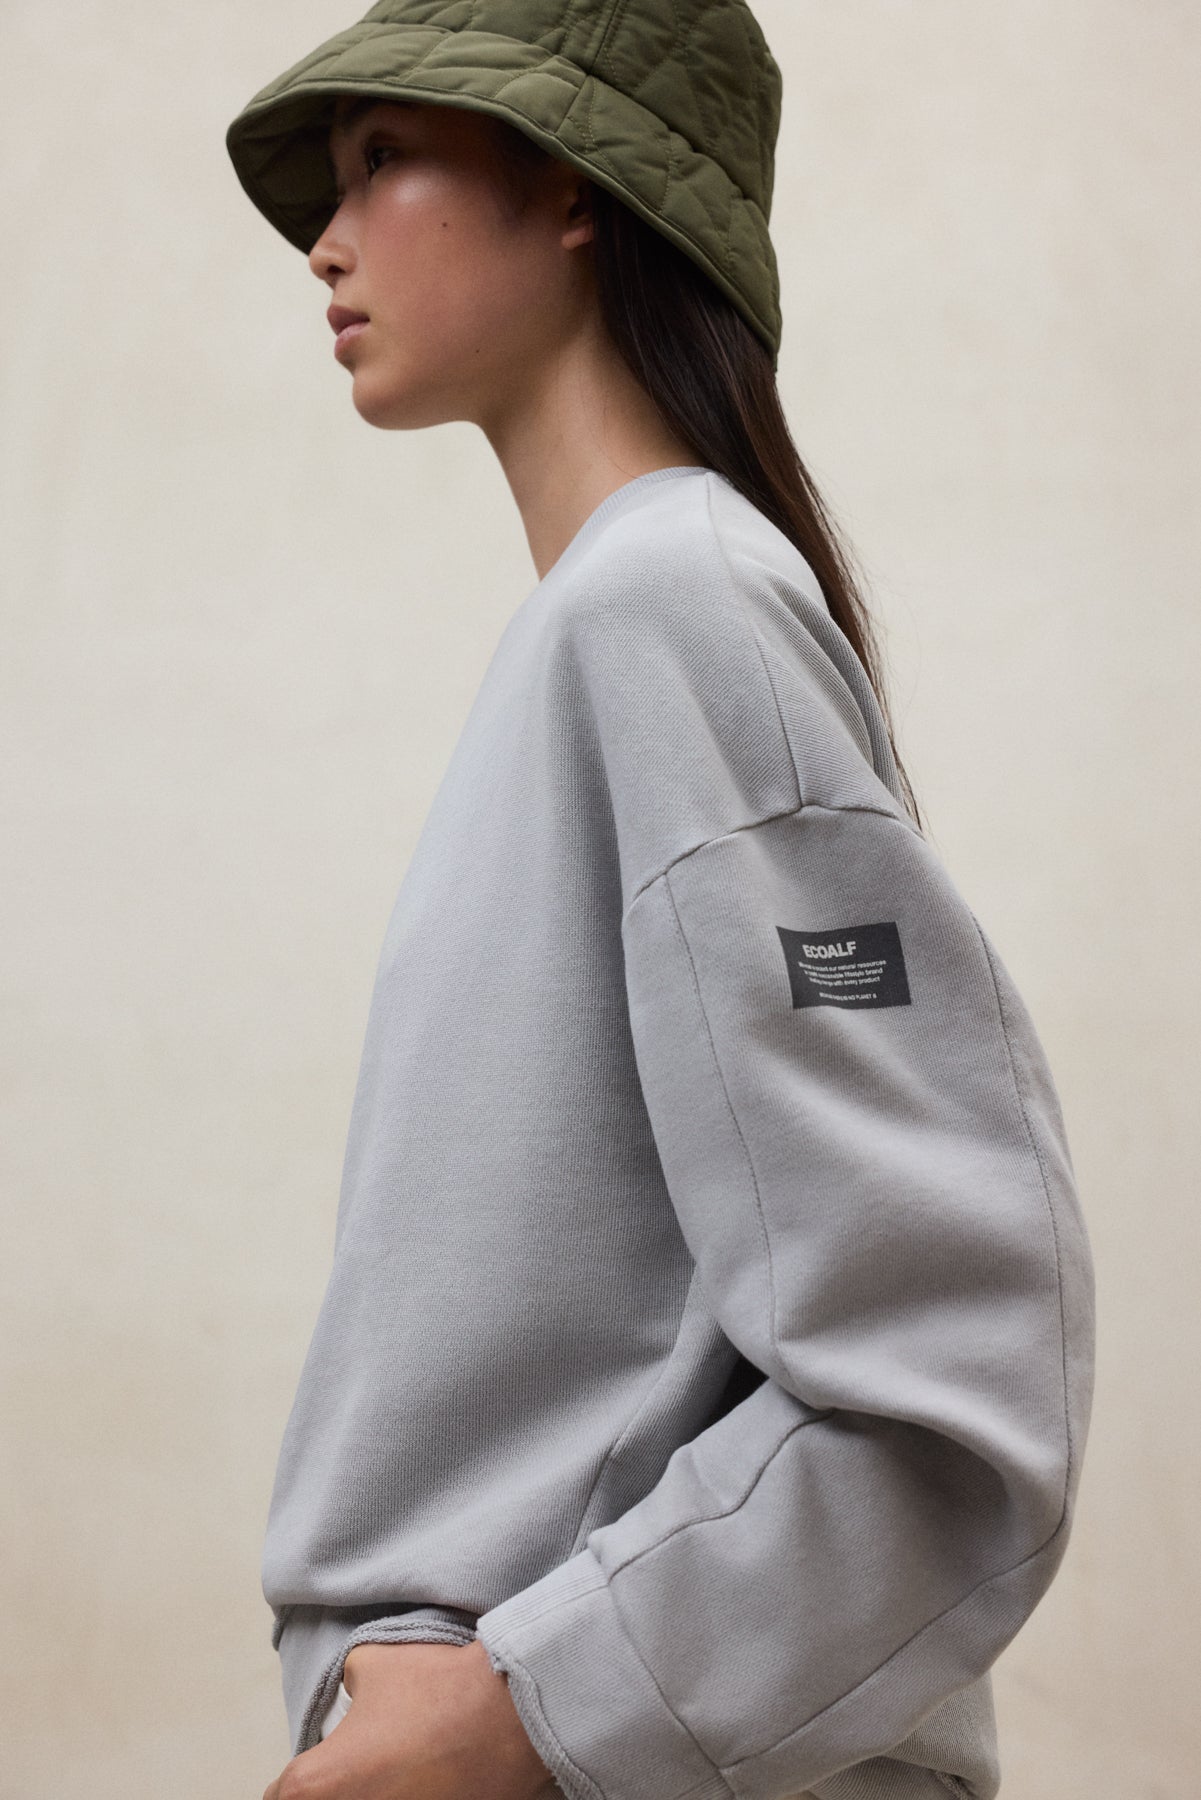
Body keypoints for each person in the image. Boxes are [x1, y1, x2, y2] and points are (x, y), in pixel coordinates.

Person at [224, 5, 1097, 1799]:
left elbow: (947, 1384)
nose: (326, 240)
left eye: (382, 162)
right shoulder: (608, 623)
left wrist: (524, 1708)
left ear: (574, 193)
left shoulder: (671, 602)